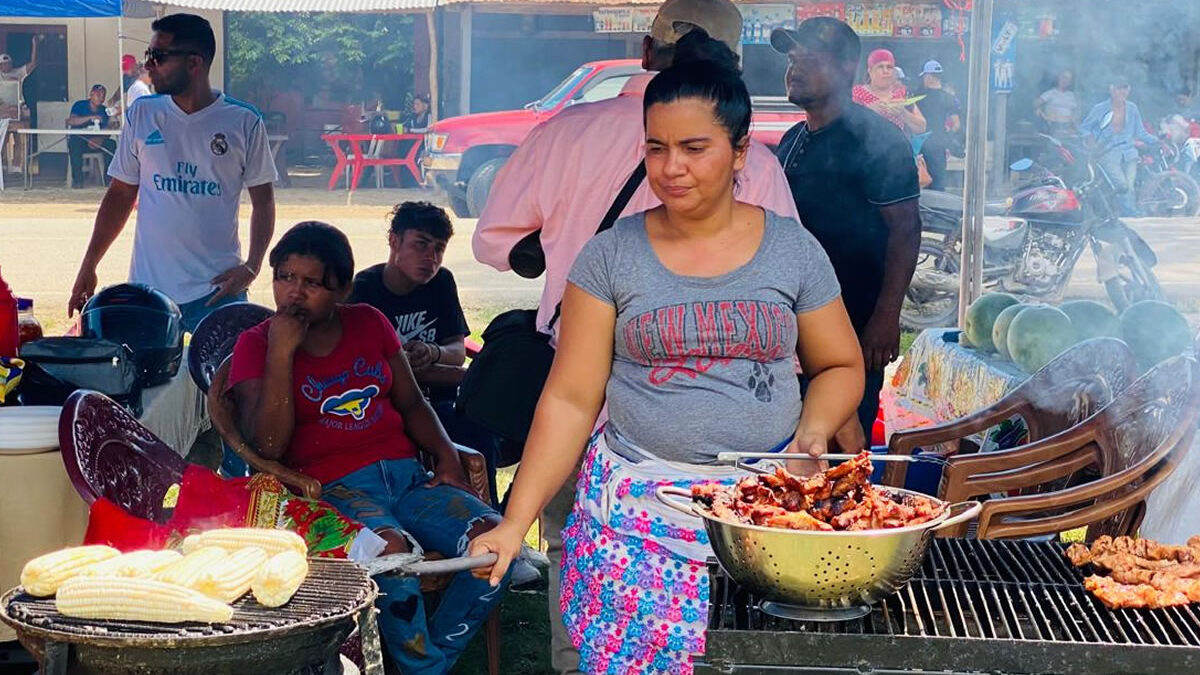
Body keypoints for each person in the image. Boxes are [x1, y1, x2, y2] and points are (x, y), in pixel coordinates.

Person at [468, 54, 864, 675]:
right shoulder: (608, 258)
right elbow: (571, 399)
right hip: (635, 525)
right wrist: (515, 522)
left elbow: (840, 363)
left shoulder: (793, 249)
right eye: (656, 148)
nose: (671, 168)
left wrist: (813, 429)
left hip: (768, 519)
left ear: (741, 153)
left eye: (694, 147)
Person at [229, 221, 507, 675]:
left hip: (408, 477)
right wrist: (281, 354)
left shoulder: (368, 322)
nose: (294, 293)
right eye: (284, 277)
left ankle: (429, 660)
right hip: (331, 489)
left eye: (312, 283)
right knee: (390, 554)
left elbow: (412, 401)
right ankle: (426, 668)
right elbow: (268, 445)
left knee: (495, 542)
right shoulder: (255, 344)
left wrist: (448, 457)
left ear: (341, 290)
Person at [68, 13, 277, 335]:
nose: (147, 64)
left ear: (194, 63)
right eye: (148, 55)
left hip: (218, 292)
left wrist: (251, 266)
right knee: (145, 383)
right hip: (150, 293)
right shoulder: (142, 113)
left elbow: (263, 201)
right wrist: (89, 264)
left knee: (225, 385)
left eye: (157, 56)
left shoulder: (244, 122)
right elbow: (121, 194)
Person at [771, 18, 922, 452]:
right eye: (792, 59)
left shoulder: (879, 140)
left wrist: (886, 316)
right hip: (795, 329)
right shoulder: (792, 138)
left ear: (845, 68)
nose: (794, 69)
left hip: (855, 325)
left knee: (842, 451)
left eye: (808, 59)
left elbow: (906, 230)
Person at [347, 202, 500, 503]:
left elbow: (457, 350)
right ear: (394, 241)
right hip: (388, 406)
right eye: (421, 244)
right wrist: (437, 371)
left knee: (483, 433)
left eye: (439, 249)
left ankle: (488, 512)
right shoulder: (364, 290)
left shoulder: (441, 282)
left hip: (442, 400)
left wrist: (432, 351)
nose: (431, 258)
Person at [1079, 78, 1161, 217]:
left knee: (1129, 186)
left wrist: (1157, 141)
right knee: (1122, 185)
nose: (1122, 91)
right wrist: (1090, 138)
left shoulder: (1132, 108)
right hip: (1108, 152)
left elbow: (1140, 132)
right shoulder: (1100, 108)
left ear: (1129, 90)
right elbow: (1084, 128)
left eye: (1125, 88)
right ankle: (1127, 214)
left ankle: (1128, 214)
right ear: (1111, 89)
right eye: (1119, 88)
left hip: (1129, 152)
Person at [852, 48, 926, 136]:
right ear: (870, 70)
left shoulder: (902, 93)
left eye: (889, 67)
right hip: (865, 146)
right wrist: (868, 111)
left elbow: (922, 127)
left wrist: (903, 113)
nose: (885, 71)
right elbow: (845, 124)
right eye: (880, 67)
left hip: (895, 147)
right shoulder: (857, 93)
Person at [914, 60, 961, 191]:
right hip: (939, 148)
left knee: (920, 183)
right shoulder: (950, 98)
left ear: (928, 76)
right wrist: (945, 136)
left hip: (919, 147)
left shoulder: (917, 97)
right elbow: (957, 124)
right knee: (938, 184)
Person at [66, 85, 117, 188]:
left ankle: (109, 180)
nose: (100, 97)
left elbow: (109, 128)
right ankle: (78, 181)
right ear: (91, 95)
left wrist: (101, 138)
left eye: (103, 95)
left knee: (112, 144)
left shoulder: (104, 110)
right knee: (74, 144)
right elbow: (71, 121)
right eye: (98, 94)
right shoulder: (80, 105)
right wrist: (90, 117)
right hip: (81, 139)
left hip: (98, 141)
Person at [1035, 69, 1080, 135]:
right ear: (1059, 78)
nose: (1066, 80)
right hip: (1051, 126)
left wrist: (1074, 124)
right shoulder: (1051, 93)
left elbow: (1077, 111)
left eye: (1069, 79)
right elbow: (1036, 103)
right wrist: (1039, 111)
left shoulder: (1071, 95)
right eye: (1064, 77)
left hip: (1067, 127)